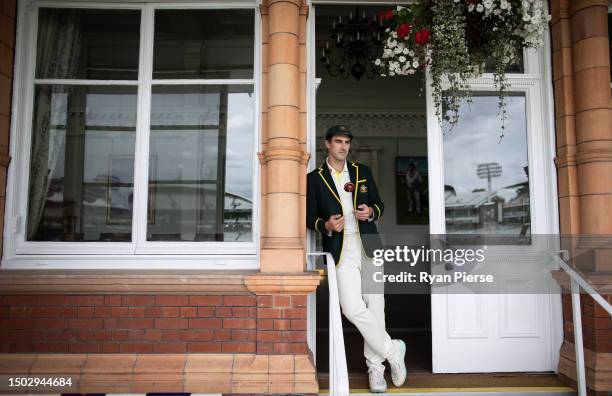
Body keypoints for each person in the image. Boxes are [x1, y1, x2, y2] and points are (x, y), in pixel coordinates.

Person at [306, 125, 407, 393]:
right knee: (351, 307)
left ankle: (377, 370)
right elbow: (309, 217)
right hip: (341, 249)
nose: (343, 147)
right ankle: (393, 349)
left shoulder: (363, 172)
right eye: (338, 142)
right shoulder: (314, 179)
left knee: (376, 306)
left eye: (347, 142)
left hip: (370, 245)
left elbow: (379, 205)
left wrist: (370, 212)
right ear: (327, 144)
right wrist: (325, 225)